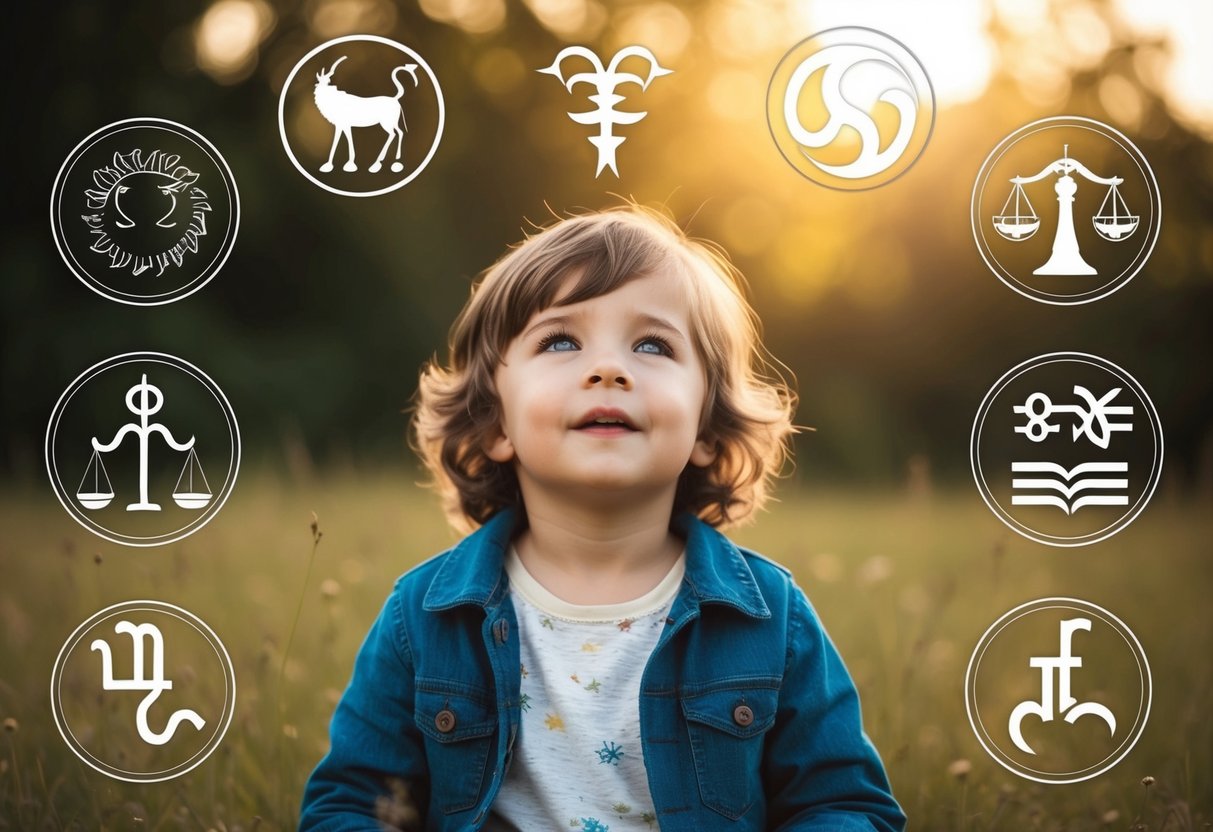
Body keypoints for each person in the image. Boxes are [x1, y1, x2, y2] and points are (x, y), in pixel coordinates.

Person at [300, 206, 905, 831]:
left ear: (706, 425)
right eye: (560, 341)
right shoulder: (422, 618)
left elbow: (844, 805)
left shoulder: (771, 619)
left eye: (653, 345)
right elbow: (350, 804)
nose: (608, 369)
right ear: (494, 423)